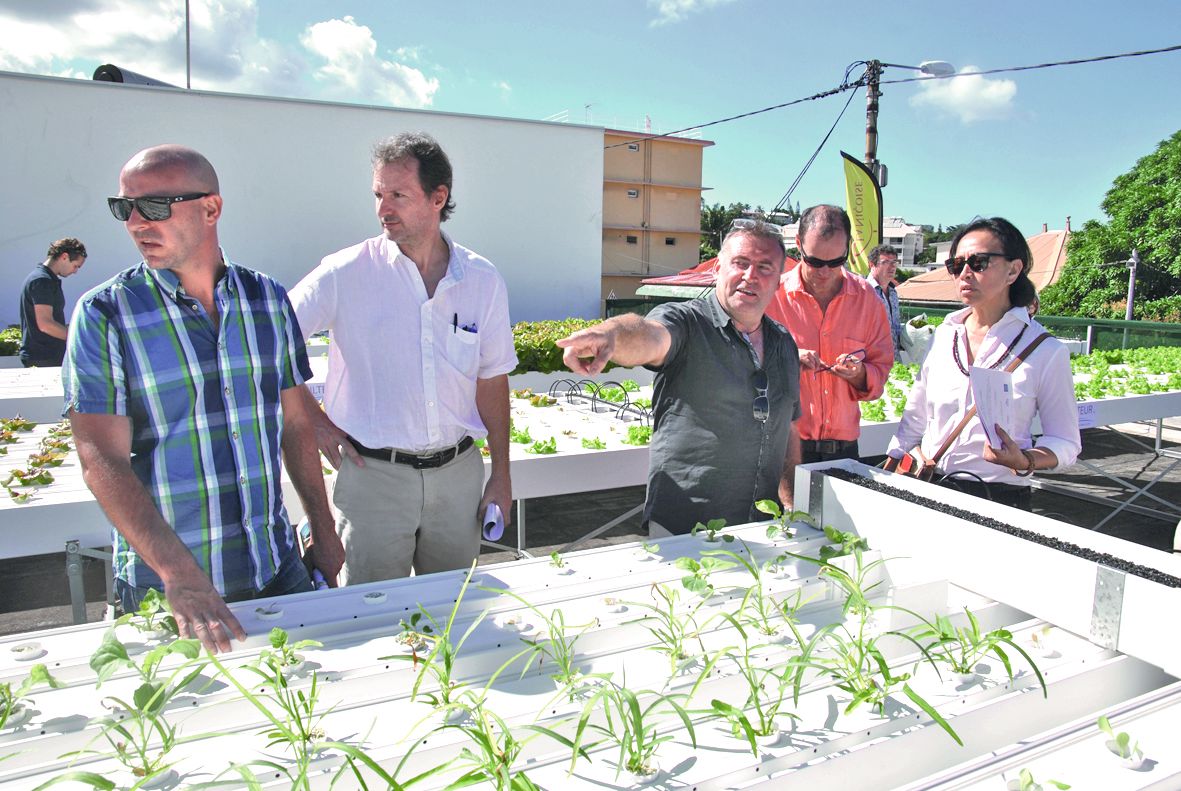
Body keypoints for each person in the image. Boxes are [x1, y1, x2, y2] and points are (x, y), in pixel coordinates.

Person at [63, 145, 343, 654]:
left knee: (305, 716)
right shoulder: (105, 313)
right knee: (183, 729)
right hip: (168, 591)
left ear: (210, 208)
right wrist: (179, 574)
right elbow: (99, 456)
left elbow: (298, 424)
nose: (134, 222)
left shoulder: (268, 300)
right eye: (123, 207)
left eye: (153, 207)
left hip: (275, 568)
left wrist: (322, 529)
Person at [290, 132, 516, 585]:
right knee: (370, 618)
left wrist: (502, 475)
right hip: (372, 477)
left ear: (439, 197)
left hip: (458, 477)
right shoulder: (344, 273)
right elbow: (270, 345)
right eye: (378, 194)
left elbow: (492, 381)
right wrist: (314, 423)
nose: (382, 209)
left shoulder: (481, 279)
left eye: (397, 194)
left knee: (454, 612)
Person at [557, 219, 800, 534]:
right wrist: (611, 334)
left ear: (779, 280)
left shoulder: (784, 343)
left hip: (761, 526)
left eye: (765, 267)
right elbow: (651, 334)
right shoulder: (687, 323)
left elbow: (789, 427)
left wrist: (792, 502)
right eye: (740, 263)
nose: (750, 276)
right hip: (685, 527)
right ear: (717, 269)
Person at [886, 217, 1081, 510]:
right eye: (956, 265)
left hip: (999, 497)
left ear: (1013, 270)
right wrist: (891, 470)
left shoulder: (1045, 351)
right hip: (929, 484)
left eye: (978, 262)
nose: (964, 273)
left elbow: (1066, 442)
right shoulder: (943, 335)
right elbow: (914, 418)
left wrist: (1026, 460)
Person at [766, 205, 893, 477]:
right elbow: (744, 365)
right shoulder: (771, 296)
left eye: (836, 262)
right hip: (784, 447)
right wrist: (789, 358)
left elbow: (880, 372)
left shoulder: (868, 300)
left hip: (845, 450)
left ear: (848, 249)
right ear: (798, 244)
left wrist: (860, 375)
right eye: (814, 261)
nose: (825, 272)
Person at [19, 238, 87, 367]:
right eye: (76, 266)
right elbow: (45, 324)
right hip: (43, 357)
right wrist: (77, 337)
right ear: (64, 257)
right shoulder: (42, 281)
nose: (75, 271)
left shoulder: (43, 278)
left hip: (44, 356)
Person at [865, 244, 904, 360]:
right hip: (872, 362)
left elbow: (894, 328)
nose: (892, 267)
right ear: (872, 265)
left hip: (894, 361)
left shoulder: (893, 293)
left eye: (894, 262)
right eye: (885, 262)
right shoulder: (863, 292)